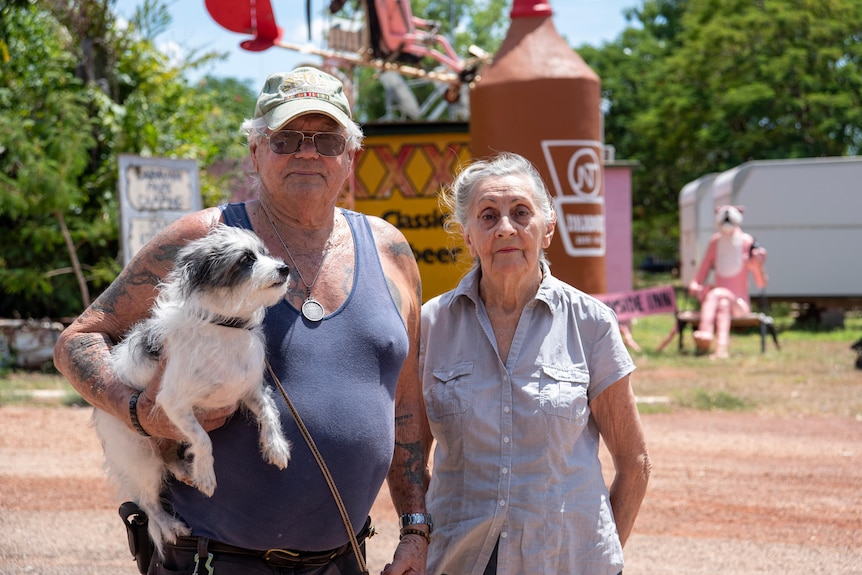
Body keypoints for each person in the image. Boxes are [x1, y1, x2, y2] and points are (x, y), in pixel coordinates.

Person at [54, 66, 430, 575]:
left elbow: (406, 404)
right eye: (286, 138)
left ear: (351, 155)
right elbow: (81, 338)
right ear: (255, 150)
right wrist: (139, 410)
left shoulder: (390, 252)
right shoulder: (204, 239)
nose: (306, 151)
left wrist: (414, 526)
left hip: (343, 560)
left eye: (325, 138)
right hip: (212, 561)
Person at [418, 152, 651, 575]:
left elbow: (634, 462)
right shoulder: (431, 323)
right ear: (468, 237)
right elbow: (410, 457)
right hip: (460, 561)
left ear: (547, 229)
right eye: (487, 216)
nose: (506, 227)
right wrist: (423, 535)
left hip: (567, 561)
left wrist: (598, 557)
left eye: (521, 213)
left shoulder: (591, 323)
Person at [688, 205, 768, 359]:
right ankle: (721, 350)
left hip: (740, 304)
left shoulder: (746, 241)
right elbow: (700, 274)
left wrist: (757, 266)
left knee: (718, 293)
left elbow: (761, 284)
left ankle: (705, 332)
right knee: (722, 303)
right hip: (720, 304)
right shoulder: (715, 242)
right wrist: (696, 287)